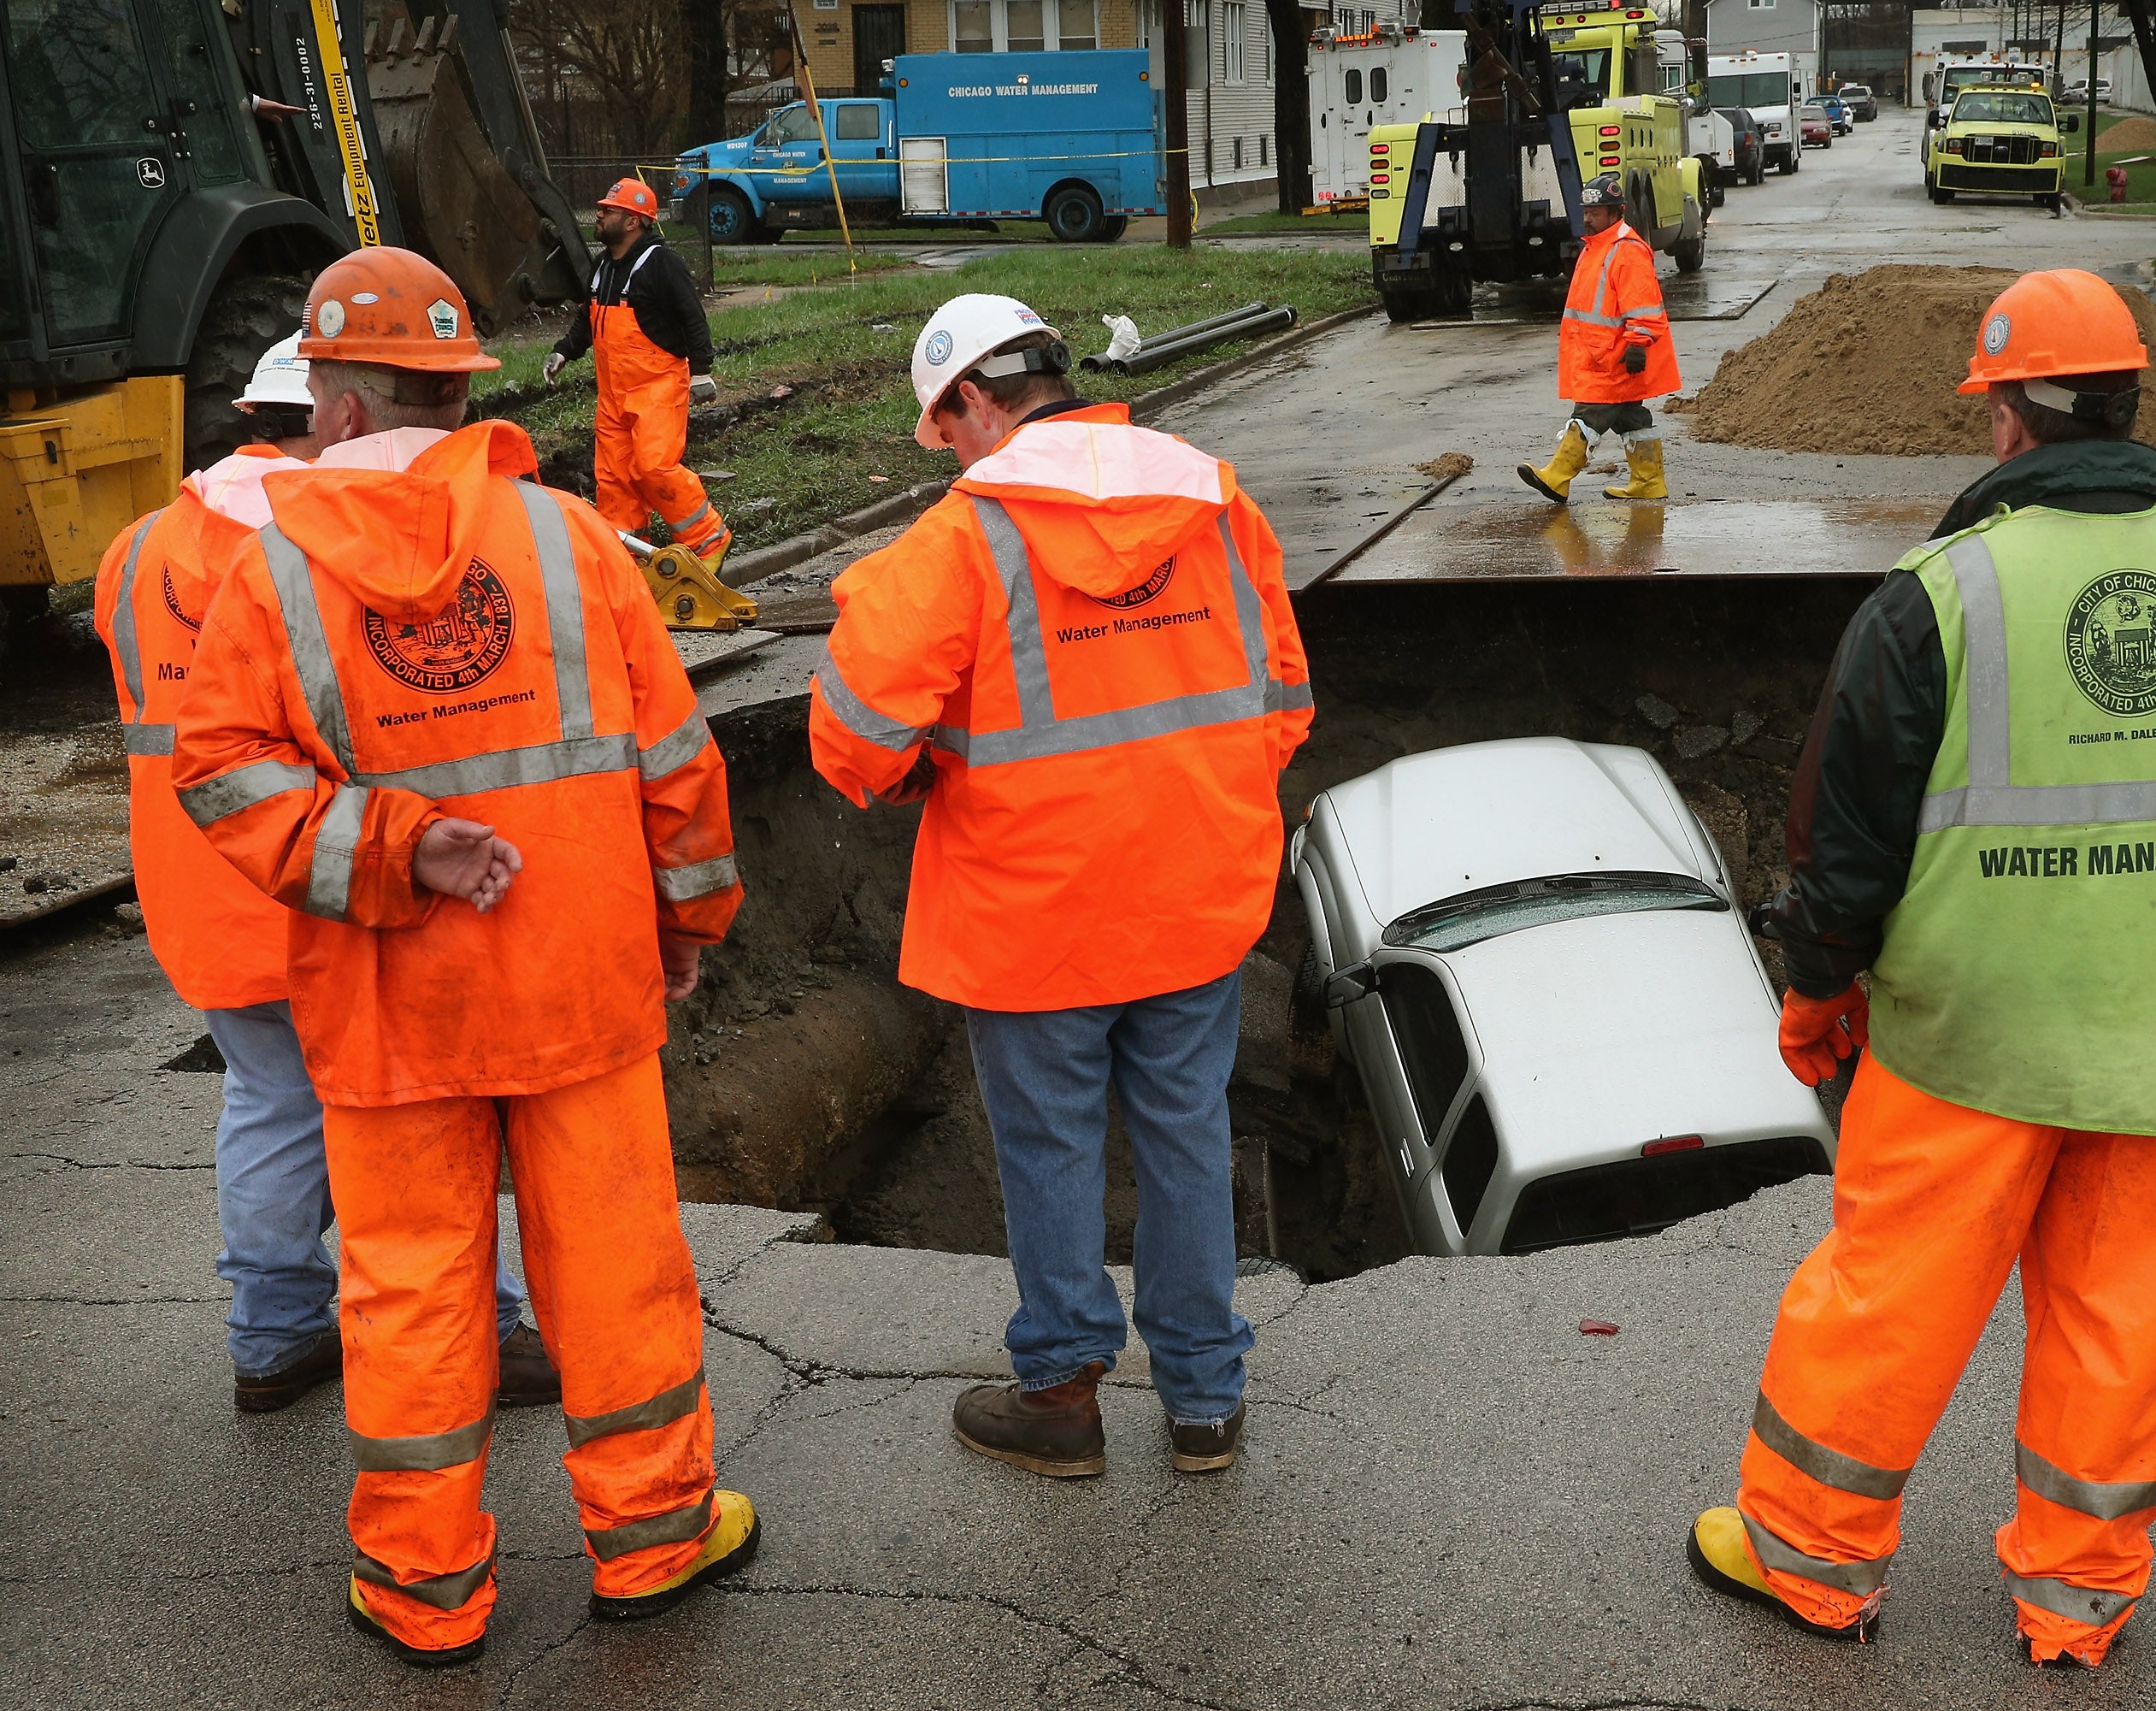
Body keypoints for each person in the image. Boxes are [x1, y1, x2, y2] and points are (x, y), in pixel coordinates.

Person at [1686, 268, 2156, 1667]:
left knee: (1893, 1295)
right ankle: (2078, 1600)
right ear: (2124, 405)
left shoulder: (1936, 603)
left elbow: (1847, 843)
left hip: (1966, 1042)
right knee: (2121, 1320)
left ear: (2005, 418)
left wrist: (1816, 985)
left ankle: (1812, 1555)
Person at [170, 248, 758, 1667]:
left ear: (343, 406)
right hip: (576, 982)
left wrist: (384, 845)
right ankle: (655, 1539)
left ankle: (426, 1590)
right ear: (457, 390)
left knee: (415, 1296)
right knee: (617, 1272)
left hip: (391, 1009)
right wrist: (685, 928)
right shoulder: (572, 545)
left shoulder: (274, 579)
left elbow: (219, 779)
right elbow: (677, 765)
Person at [805, 293, 1312, 1480]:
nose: (953, 456)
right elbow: (1282, 700)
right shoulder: (1211, 497)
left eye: (947, 431)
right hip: (1193, 896)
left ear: (973, 400)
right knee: (1190, 1138)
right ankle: (1202, 1402)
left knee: (1050, 1150)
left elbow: (854, 737)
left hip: (1029, 915)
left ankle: (1063, 1394)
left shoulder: (965, 538)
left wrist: (919, 773)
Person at [95, 333, 557, 1415]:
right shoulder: (323, 551)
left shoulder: (139, 547)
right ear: (332, 418)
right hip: (328, 879)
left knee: (265, 1101)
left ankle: (274, 1334)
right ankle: (479, 1330)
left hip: (202, 887)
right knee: (423, 1107)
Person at [544, 178, 728, 569]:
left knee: (654, 468)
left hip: (658, 388)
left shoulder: (662, 264)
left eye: (609, 210)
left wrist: (701, 371)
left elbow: (693, 318)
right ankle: (626, 559)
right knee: (613, 479)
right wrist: (564, 351)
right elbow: (588, 318)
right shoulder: (602, 267)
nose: (600, 214)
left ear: (633, 222)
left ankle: (708, 543)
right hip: (613, 395)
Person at [1517, 174, 1680, 504]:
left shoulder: (1627, 250)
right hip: (1599, 354)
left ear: (1616, 212)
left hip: (1616, 356)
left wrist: (1637, 343)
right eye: (1586, 212)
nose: (1587, 219)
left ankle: (1558, 477)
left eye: (1595, 213)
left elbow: (1644, 304)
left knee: (1590, 413)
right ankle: (1649, 482)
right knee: (1632, 418)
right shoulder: (1597, 248)